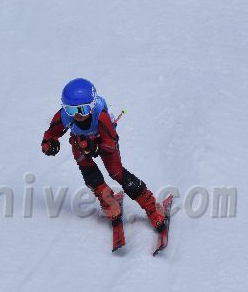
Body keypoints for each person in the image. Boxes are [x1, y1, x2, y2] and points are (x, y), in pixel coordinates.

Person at [41, 78, 166, 231]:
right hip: (80, 143)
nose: (77, 115)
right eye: (71, 110)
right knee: (90, 175)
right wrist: (48, 143)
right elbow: (51, 133)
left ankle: (151, 205)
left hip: (103, 141)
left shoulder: (101, 116)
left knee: (117, 172)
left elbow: (111, 143)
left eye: (83, 110)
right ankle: (108, 201)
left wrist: (95, 147)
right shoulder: (64, 116)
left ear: (92, 105)